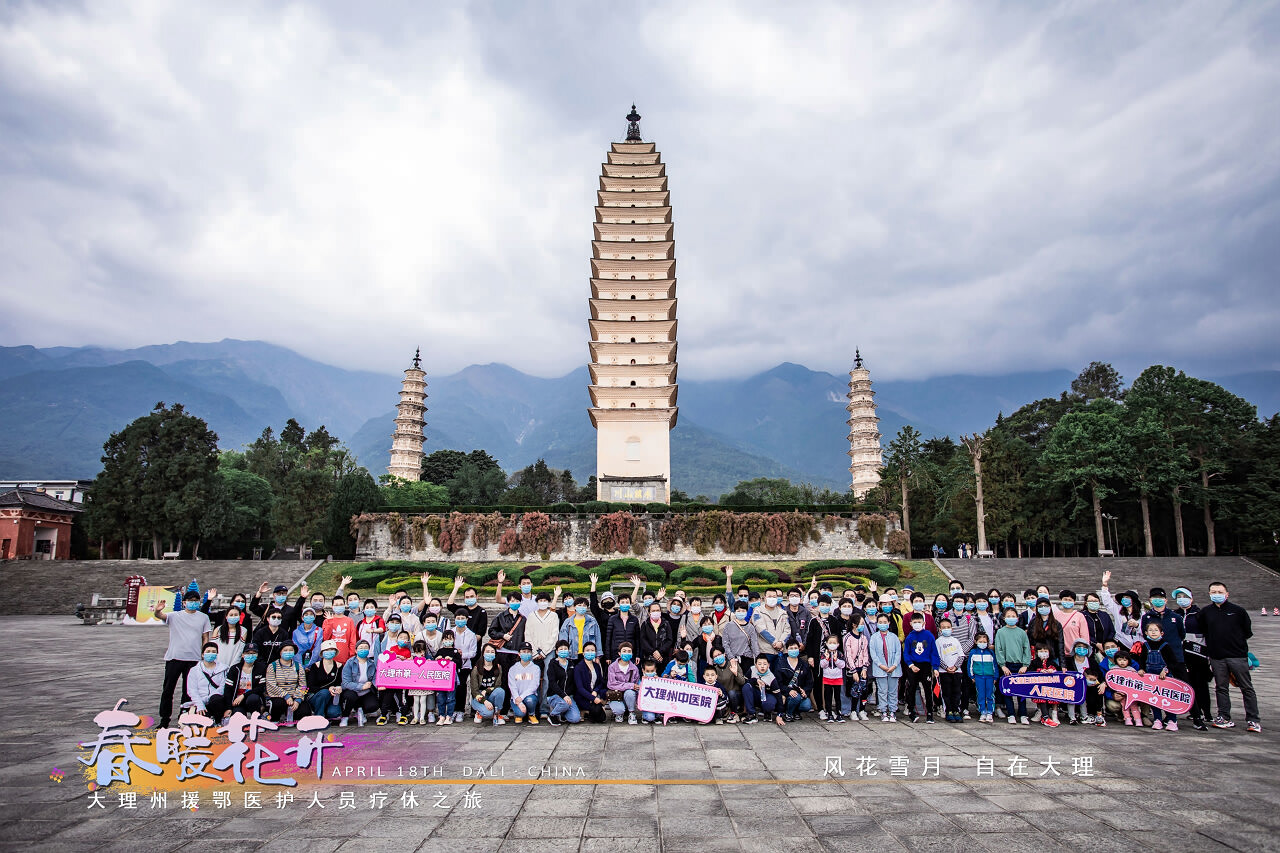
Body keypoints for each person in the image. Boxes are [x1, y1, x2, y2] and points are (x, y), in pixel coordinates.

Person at [1200, 581, 1260, 732]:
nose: (1216, 594)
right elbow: (1203, 630)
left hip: (1237, 656)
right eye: (1213, 592)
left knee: (1246, 687)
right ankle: (1224, 716)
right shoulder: (1206, 612)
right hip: (1216, 656)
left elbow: (1247, 632)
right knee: (1221, 687)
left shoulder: (1238, 611)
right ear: (1209, 594)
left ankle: (1253, 719)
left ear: (1227, 594)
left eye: (1220, 592)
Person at [154, 590, 212, 729]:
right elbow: (161, 616)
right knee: (168, 689)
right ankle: (164, 719)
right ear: (184, 602)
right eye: (190, 601)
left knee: (189, 691)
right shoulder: (175, 616)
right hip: (174, 657)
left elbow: (205, 637)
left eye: (195, 601)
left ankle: (184, 717)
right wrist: (157, 611)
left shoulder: (203, 617)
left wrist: (204, 654)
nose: (193, 603)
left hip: (193, 659)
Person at [1136, 618, 1188, 732]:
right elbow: (1142, 659)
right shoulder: (1145, 645)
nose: (1153, 632)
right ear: (1146, 633)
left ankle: (1172, 720)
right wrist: (1141, 669)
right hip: (1151, 676)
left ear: (1161, 633)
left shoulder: (1165, 646)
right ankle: (1157, 719)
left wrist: (1166, 670)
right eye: (1150, 630)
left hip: (1164, 677)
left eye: (1156, 630)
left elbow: (1173, 662)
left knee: (1167, 699)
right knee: (1154, 699)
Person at [1175, 587, 1213, 730]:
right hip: (1181, 654)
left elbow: (1208, 633)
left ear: (1191, 598)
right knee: (1186, 683)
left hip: (1199, 654)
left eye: (1184, 596)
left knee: (1201, 683)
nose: (1181, 599)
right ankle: (1193, 710)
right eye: (1179, 596)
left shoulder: (1200, 614)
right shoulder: (1175, 614)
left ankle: (1206, 712)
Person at [996, 608, 1032, 725]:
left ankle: (1023, 714)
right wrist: (1002, 665)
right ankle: (1011, 714)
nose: (1011, 618)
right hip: (1007, 665)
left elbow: (1026, 649)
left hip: (1020, 665)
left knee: (1022, 692)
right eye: (1008, 616)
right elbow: (999, 649)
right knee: (1008, 691)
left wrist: (1025, 665)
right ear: (1004, 618)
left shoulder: (1021, 632)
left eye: (1013, 616)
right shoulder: (1001, 632)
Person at [902, 612, 940, 723]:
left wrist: (935, 667)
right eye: (915, 622)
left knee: (928, 690)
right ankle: (911, 712)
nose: (917, 624)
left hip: (926, 666)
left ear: (923, 623)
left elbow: (934, 652)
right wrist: (911, 665)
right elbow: (906, 653)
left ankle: (929, 713)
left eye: (919, 622)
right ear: (911, 623)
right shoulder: (910, 637)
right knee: (912, 689)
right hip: (913, 665)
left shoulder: (929, 635)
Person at [339, 639, 386, 727]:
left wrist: (377, 685)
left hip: (366, 691)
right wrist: (361, 687)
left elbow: (375, 678)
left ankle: (361, 711)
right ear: (356, 650)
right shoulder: (350, 663)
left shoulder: (372, 664)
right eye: (361, 648)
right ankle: (345, 716)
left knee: (373, 705)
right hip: (352, 690)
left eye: (366, 648)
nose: (363, 650)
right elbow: (346, 682)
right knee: (350, 697)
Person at [217, 643, 265, 721]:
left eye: (253, 653)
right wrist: (228, 708)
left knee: (253, 698)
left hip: (251, 699)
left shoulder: (261, 668)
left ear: (257, 655)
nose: (251, 655)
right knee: (238, 717)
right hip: (237, 701)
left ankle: (257, 720)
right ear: (243, 655)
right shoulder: (235, 669)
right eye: (248, 653)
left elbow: (260, 688)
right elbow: (228, 689)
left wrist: (243, 695)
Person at [869, 613, 902, 722]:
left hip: (894, 668)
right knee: (882, 691)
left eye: (885, 622)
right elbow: (873, 654)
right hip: (880, 668)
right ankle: (883, 710)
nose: (883, 624)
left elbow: (898, 652)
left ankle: (892, 711)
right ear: (877, 624)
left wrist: (894, 665)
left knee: (892, 691)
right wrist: (881, 665)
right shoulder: (874, 637)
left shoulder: (894, 637)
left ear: (889, 623)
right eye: (880, 622)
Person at [264, 642, 307, 723]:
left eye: (291, 650)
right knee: (278, 704)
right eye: (285, 650)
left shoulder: (299, 666)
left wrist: (298, 699)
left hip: (294, 695)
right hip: (278, 696)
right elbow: (270, 685)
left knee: (304, 711)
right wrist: (286, 696)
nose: (288, 652)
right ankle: (275, 719)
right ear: (280, 652)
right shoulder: (272, 666)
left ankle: (291, 716)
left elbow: (303, 686)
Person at [186, 641, 228, 720]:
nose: (211, 654)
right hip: (200, 702)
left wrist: (209, 698)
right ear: (202, 654)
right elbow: (192, 690)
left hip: (216, 701)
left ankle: (219, 721)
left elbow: (223, 687)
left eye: (214, 652)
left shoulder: (224, 669)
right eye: (208, 652)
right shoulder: (194, 670)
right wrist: (200, 704)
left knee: (216, 699)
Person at [451, 611, 479, 723]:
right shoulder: (451, 632)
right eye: (458, 618)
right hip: (451, 665)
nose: (460, 620)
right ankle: (452, 710)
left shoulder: (471, 635)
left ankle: (461, 711)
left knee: (462, 687)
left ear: (467, 619)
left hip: (465, 665)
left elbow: (473, 652)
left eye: (463, 618)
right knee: (452, 688)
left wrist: (462, 655)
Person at [469, 643, 507, 726]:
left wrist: (486, 691)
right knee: (488, 713)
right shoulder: (476, 669)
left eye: (492, 652)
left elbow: (497, 685)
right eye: (488, 651)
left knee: (500, 691)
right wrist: (484, 701)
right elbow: (474, 691)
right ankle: (479, 712)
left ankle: (497, 714)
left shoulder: (498, 667)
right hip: (479, 696)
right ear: (483, 653)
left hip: (490, 694)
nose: (490, 654)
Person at [546, 640, 582, 725]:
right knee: (564, 703)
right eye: (561, 649)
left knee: (575, 719)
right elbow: (552, 683)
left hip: (569, 696)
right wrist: (563, 695)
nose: (563, 651)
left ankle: (561, 713)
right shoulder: (552, 664)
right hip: (555, 695)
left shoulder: (571, 664)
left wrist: (569, 695)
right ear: (557, 651)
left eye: (565, 649)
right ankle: (553, 715)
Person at [752, 588, 791, 667]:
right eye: (769, 596)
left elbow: (787, 630)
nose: (772, 599)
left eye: (774, 597)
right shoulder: (758, 612)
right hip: (766, 651)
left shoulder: (783, 612)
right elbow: (761, 630)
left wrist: (781, 643)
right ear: (765, 598)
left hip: (781, 651)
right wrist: (774, 642)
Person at [307, 639, 345, 721]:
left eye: (332, 649)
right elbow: (311, 686)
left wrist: (338, 688)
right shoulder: (315, 666)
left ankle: (326, 713)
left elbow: (341, 682)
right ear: (322, 652)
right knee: (324, 693)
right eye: (327, 650)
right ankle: (319, 717)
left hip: (333, 697)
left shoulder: (339, 666)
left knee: (334, 713)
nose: (329, 651)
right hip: (317, 696)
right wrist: (328, 689)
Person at [936, 618, 966, 722]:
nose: (946, 629)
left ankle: (956, 710)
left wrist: (955, 667)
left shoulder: (955, 641)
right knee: (946, 692)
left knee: (957, 692)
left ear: (952, 629)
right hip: (944, 672)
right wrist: (946, 668)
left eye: (948, 627)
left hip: (957, 672)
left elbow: (961, 655)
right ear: (940, 630)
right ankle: (948, 710)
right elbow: (937, 658)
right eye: (943, 628)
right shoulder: (938, 642)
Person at [743, 653, 784, 725]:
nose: (762, 666)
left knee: (769, 704)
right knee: (746, 687)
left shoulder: (772, 678)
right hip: (755, 695)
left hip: (767, 696)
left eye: (765, 664)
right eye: (759, 664)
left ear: (768, 665)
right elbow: (745, 681)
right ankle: (752, 714)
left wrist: (779, 715)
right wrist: (755, 680)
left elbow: (778, 696)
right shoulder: (752, 669)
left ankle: (767, 712)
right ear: (755, 665)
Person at [573, 641, 609, 723]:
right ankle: (584, 709)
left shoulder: (596, 666)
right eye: (587, 650)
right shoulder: (579, 667)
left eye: (592, 650)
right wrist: (593, 698)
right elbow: (580, 688)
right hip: (583, 696)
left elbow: (601, 682)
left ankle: (589, 710)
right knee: (599, 715)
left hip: (595, 694)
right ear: (583, 653)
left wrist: (595, 691)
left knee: (601, 718)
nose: (590, 652)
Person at [1061, 639, 1095, 725]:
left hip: (1085, 687)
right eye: (1079, 647)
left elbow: (1096, 675)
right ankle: (1072, 717)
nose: (1081, 649)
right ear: (1074, 648)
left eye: (1084, 647)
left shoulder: (1092, 661)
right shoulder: (1068, 661)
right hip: (1071, 686)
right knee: (1071, 700)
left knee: (1082, 701)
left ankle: (1084, 716)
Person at [508, 642, 542, 725]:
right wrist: (518, 699)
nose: (526, 654)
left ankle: (531, 714)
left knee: (530, 700)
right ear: (519, 654)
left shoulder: (535, 668)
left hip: (529, 696)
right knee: (520, 714)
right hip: (516, 698)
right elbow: (512, 686)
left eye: (528, 652)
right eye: (524, 652)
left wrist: (522, 697)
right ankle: (519, 714)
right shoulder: (513, 669)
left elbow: (534, 685)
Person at [709, 647, 746, 723]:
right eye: (715, 656)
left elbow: (742, 682)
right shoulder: (714, 669)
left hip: (735, 694)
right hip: (723, 695)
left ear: (724, 654)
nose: (717, 657)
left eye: (719, 654)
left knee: (731, 693)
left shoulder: (733, 665)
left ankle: (734, 714)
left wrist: (736, 673)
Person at [722, 600, 760, 672]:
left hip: (747, 659)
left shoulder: (750, 627)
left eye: (743, 611)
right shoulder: (728, 626)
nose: (741, 613)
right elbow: (725, 644)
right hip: (733, 660)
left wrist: (758, 659)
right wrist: (731, 658)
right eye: (738, 611)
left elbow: (754, 645)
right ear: (735, 612)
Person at [607, 642, 640, 724]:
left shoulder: (634, 668)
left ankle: (631, 713)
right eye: (624, 651)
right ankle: (619, 713)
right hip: (616, 695)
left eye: (629, 651)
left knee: (630, 692)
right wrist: (630, 685)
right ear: (619, 653)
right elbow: (612, 684)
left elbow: (636, 684)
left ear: (632, 654)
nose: (626, 653)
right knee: (619, 710)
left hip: (628, 696)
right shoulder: (612, 667)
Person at [968, 632, 997, 723]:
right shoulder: (973, 652)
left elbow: (995, 665)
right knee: (980, 694)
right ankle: (982, 711)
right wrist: (971, 675)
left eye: (984, 641)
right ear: (976, 642)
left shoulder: (990, 653)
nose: (982, 643)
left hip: (990, 677)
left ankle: (990, 712)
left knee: (990, 694)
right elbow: (970, 665)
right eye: (980, 641)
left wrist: (995, 677)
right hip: (978, 677)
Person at [433, 630, 461, 726]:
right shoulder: (440, 651)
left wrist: (452, 659)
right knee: (440, 698)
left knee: (451, 698)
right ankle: (441, 715)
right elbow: (434, 663)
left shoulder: (455, 651)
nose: (447, 641)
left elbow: (460, 663)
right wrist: (437, 659)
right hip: (441, 679)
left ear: (453, 640)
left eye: (450, 639)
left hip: (452, 679)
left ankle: (449, 715)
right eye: (445, 639)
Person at [818, 634, 846, 723]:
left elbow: (843, 665)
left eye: (834, 643)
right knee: (828, 696)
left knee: (838, 697)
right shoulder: (824, 653)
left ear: (838, 644)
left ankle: (839, 713)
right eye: (830, 642)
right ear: (826, 643)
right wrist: (826, 659)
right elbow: (822, 665)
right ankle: (829, 713)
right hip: (827, 678)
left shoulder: (840, 653)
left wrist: (836, 659)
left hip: (837, 678)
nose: (832, 644)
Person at [1111, 649, 1144, 726]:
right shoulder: (1113, 670)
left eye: (1125, 660)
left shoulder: (1132, 670)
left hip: (1131, 693)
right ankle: (1127, 718)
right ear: (1116, 660)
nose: (1122, 662)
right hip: (1121, 693)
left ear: (1128, 661)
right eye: (1120, 660)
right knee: (1124, 706)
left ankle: (1138, 719)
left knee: (1134, 706)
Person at [322, 595, 358, 664]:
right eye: (336, 605)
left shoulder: (349, 621)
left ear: (344, 606)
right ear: (332, 607)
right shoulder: (327, 621)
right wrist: (330, 622)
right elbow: (325, 638)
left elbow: (352, 640)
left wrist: (351, 655)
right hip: (331, 658)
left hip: (345, 658)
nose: (338, 606)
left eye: (341, 604)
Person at [1030, 643, 1060, 727]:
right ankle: (1041, 714)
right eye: (1041, 651)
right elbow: (1030, 671)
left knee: (1054, 698)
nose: (1043, 653)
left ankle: (1054, 714)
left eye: (1045, 651)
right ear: (1036, 652)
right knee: (1040, 698)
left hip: (1051, 686)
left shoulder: (1052, 662)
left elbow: (1059, 671)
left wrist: (1052, 670)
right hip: (1039, 686)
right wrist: (1038, 671)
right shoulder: (1034, 662)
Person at [638, 601, 674, 670]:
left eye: (657, 610)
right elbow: (643, 640)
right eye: (653, 610)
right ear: (649, 612)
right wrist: (653, 652)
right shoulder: (645, 624)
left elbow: (669, 640)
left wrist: (660, 652)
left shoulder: (666, 624)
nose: (655, 612)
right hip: (649, 658)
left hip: (663, 657)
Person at [406, 640, 434, 725]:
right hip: (415, 683)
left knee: (423, 700)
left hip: (424, 683)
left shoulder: (428, 658)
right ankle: (415, 717)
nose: (420, 653)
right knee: (416, 700)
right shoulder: (413, 658)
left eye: (421, 651)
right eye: (417, 652)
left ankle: (422, 717)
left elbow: (433, 667)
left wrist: (430, 663)